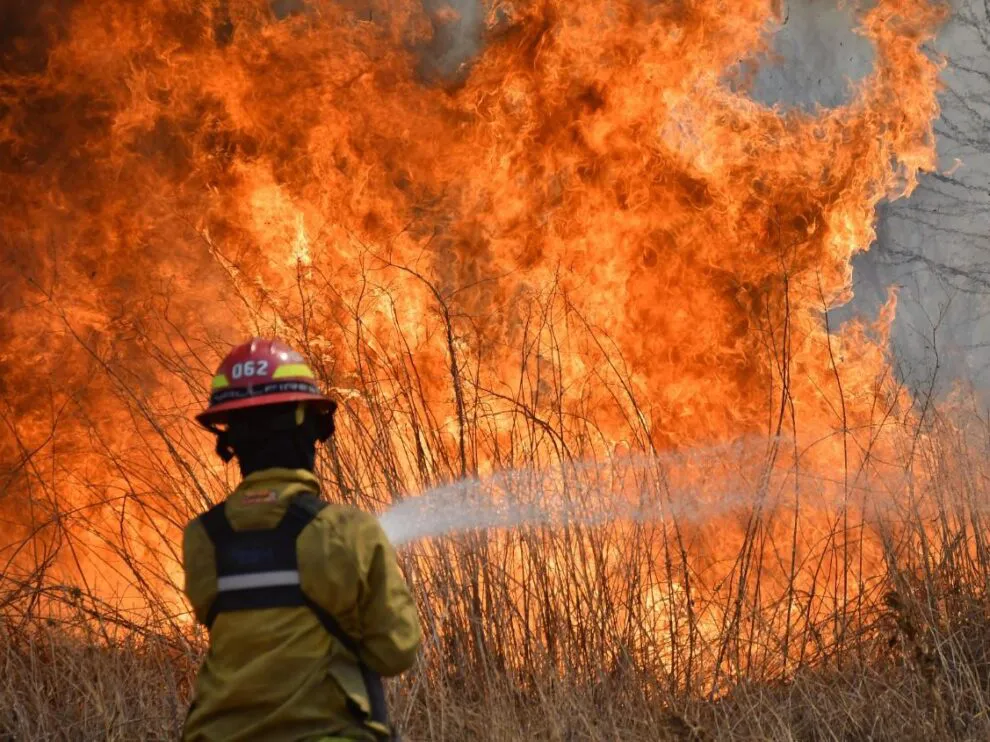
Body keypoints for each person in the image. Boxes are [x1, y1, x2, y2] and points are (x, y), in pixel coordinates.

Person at [181, 338, 421, 741]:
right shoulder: (348, 532)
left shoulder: (202, 538)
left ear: (229, 439)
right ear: (307, 426)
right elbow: (395, 651)